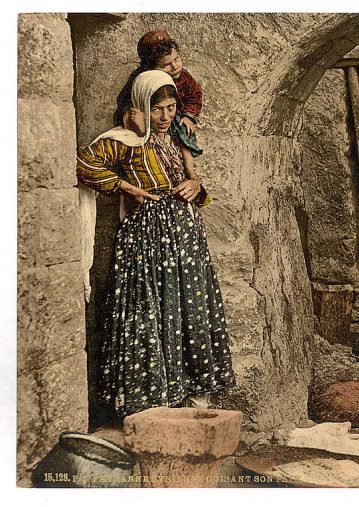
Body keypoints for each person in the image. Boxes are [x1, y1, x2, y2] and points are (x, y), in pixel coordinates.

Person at [77, 70, 235, 419]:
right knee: (150, 311)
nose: (165, 117)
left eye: (171, 107)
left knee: (188, 311)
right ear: (138, 109)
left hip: (186, 237)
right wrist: (127, 188)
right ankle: (151, 407)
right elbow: (85, 166)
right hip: (147, 239)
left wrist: (197, 186)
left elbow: (199, 191)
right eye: (157, 109)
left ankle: (192, 401)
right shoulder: (124, 141)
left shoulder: (178, 138)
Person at [115, 30, 203, 183]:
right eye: (165, 65)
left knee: (182, 128)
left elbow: (194, 95)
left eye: (177, 59)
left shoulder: (183, 77)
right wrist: (134, 116)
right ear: (151, 67)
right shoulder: (141, 79)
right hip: (147, 120)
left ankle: (189, 167)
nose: (175, 67)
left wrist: (188, 116)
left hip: (174, 121)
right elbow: (124, 100)